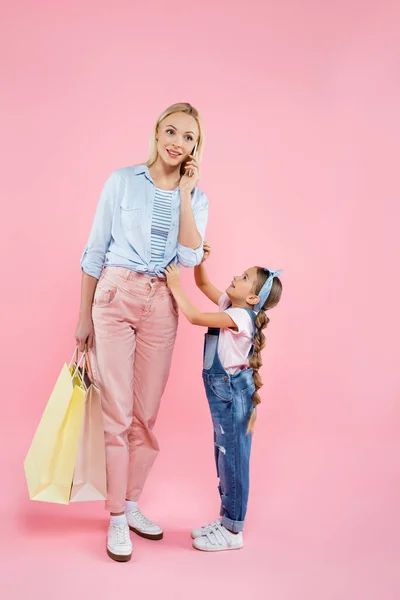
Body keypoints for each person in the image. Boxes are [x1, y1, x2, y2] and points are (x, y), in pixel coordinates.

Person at [75, 103, 208, 562]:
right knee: (116, 411)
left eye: (188, 137)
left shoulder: (198, 198)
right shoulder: (122, 181)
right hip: (115, 295)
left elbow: (190, 259)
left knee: (144, 415)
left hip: (162, 305)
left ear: (196, 147)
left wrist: (186, 194)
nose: (177, 141)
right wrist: (82, 318)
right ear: (155, 133)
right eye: (170, 131)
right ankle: (115, 516)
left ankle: (131, 503)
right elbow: (94, 250)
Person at [165, 248, 282, 552]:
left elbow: (194, 317)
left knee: (233, 459)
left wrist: (175, 286)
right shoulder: (231, 305)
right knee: (223, 455)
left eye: (244, 278)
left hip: (232, 394)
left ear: (253, 298)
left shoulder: (240, 316)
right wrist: (200, 263)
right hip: (223, 394)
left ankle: (233, 530)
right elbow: (204, 285)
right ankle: (226, 519)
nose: (235, 276)